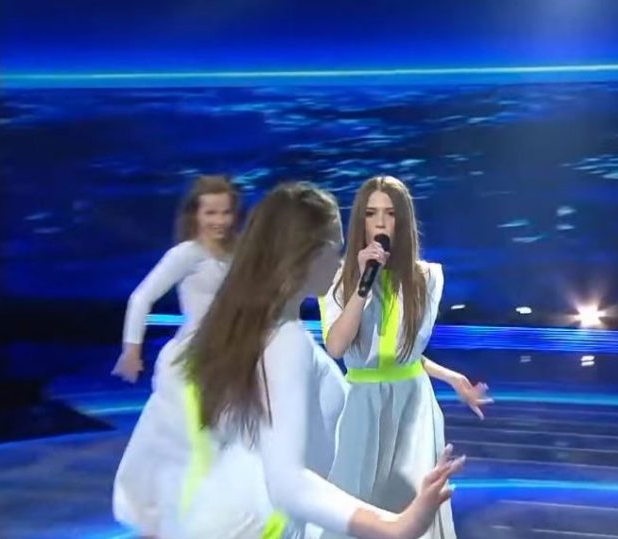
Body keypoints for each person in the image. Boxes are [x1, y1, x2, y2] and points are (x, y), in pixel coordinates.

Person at [172, 182, 464, 539]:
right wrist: (396, 526)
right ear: (314, 252)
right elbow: (287, 482)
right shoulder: (286, 342)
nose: (342, 257)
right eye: (337, 247)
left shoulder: (252, 331)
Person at [320, 175, 491, 539]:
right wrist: (362, 286)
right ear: (360, 221)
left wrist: (453, 378)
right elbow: (336, 347)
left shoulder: (425, 278)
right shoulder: (338, 280)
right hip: (359, 405)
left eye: (390, 213)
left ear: (403, 220)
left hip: (412, 405)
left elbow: (404, 356)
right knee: (354, 509)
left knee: (409, 510)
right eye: (371, 213)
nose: (380, 223)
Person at [111, 175, 240, 538]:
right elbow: (141, 298)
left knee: (224, 446)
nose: (219, 220)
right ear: (195, 214)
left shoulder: (238, 254)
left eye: (225, 212)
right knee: (184, 447)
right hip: (191, 365)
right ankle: (171, 522)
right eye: (210, 212)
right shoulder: (187, 254)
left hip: (229, 362)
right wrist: (132, 350)